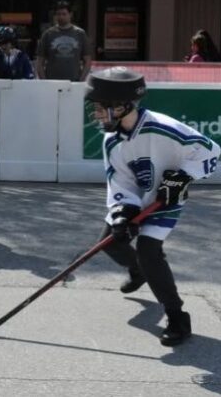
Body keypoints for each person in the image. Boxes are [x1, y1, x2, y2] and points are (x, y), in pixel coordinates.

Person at [85, 66, 220, 346]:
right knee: (111, 242)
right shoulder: (112, 141)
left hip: (166, 200)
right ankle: (138, 270)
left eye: (100, 108)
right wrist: (122, 212)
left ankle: (177, 317)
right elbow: (119, 182)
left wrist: (182, 176)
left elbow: (212, 153)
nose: (96, 115)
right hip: (139, 200)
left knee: (149, 250)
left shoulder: (164, 128)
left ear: (121, 105)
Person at [36, 0, 91, 81]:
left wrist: (81, 81)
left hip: (74, 82)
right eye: (58, 14)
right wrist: (45, 82)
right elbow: (40, 62)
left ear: (70, 14)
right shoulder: (47, 34)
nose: (61, 17)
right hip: (52, 82)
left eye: (64, 14)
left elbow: (87, 61)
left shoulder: (80, 34)